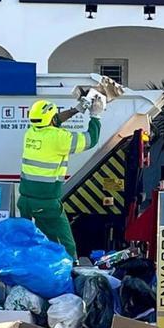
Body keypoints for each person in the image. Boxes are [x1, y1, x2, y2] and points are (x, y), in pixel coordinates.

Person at [18, 97, 103, 260]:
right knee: (64, 245)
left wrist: (76, 110)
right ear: (51, 118)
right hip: (46, 202)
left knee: (41, 242)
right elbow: (91, 139)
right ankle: (66, 278)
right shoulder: (59, 138)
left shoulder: (31, 132)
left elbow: (54, 120)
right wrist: (95, 116)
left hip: (26, 201)